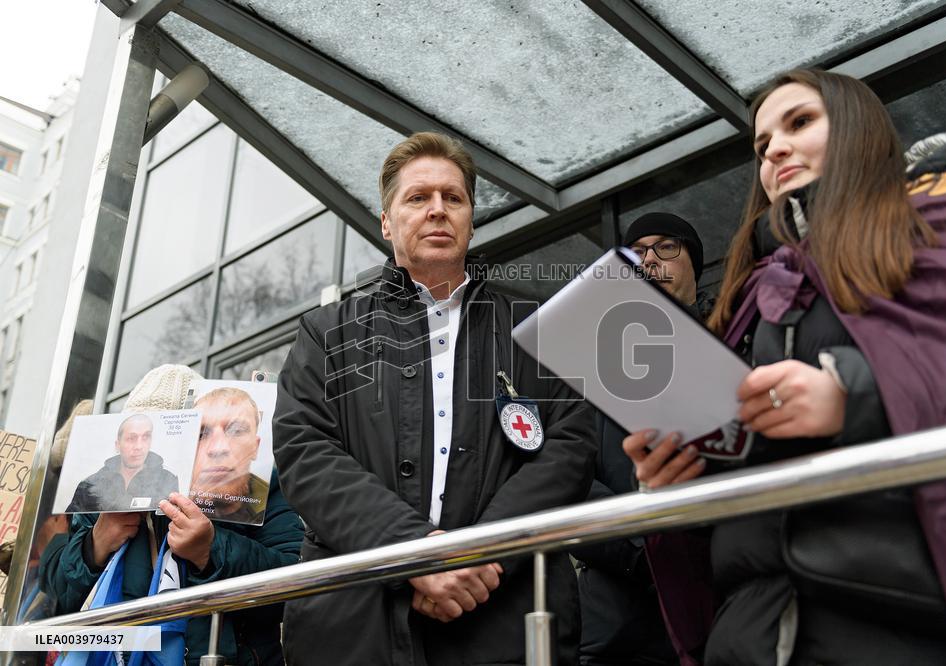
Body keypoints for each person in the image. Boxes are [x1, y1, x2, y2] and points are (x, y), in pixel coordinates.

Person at [625, 68, 946, 665]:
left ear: (858, 129)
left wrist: (852, 396)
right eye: (761, 144)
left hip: (901, 621)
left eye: (799, 122)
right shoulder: (750, 294)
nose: (774, 148)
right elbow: (743, 474)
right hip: (755, 632)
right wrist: (673, 481)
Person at [274, 131, 596, 665]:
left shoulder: (535, 329)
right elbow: (305, 452)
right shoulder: (326, 333)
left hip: (505, 619)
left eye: (454, 198)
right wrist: (416, 554)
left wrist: (478, 555)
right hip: (357, 624)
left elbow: (571, 448)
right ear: (386, 222)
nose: (437, 211)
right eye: (417, 198)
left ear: (471, 218)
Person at [40, 365, 304, 665]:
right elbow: (61, 593)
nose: (144, 450)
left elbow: (295, 587)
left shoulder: (253, 491)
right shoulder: (104, 493)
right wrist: (94, 546)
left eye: (163, 435)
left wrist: (210, 550)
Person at [570, 212, 705, 666]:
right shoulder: (594, 369)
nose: (651, 261)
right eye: (638, 252)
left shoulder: (732, 339)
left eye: (667, 247)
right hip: (621, 621)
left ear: (694, 261)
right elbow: (569, 479)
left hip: (721, 596)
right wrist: (641, 554)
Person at [64, 412, 178, 513]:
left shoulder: (168, 480)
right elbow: (68, 532)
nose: (139, 446)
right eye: (131, 438)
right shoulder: (89, 486)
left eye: (146, 437)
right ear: (117, 445)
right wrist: (94, 536)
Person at [189, 387, 268, 524]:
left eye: (236, 431)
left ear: (255, 447)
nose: (218, 448)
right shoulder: (155, 507)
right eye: (201, 434)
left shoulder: (276, 496)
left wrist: (209, 541)